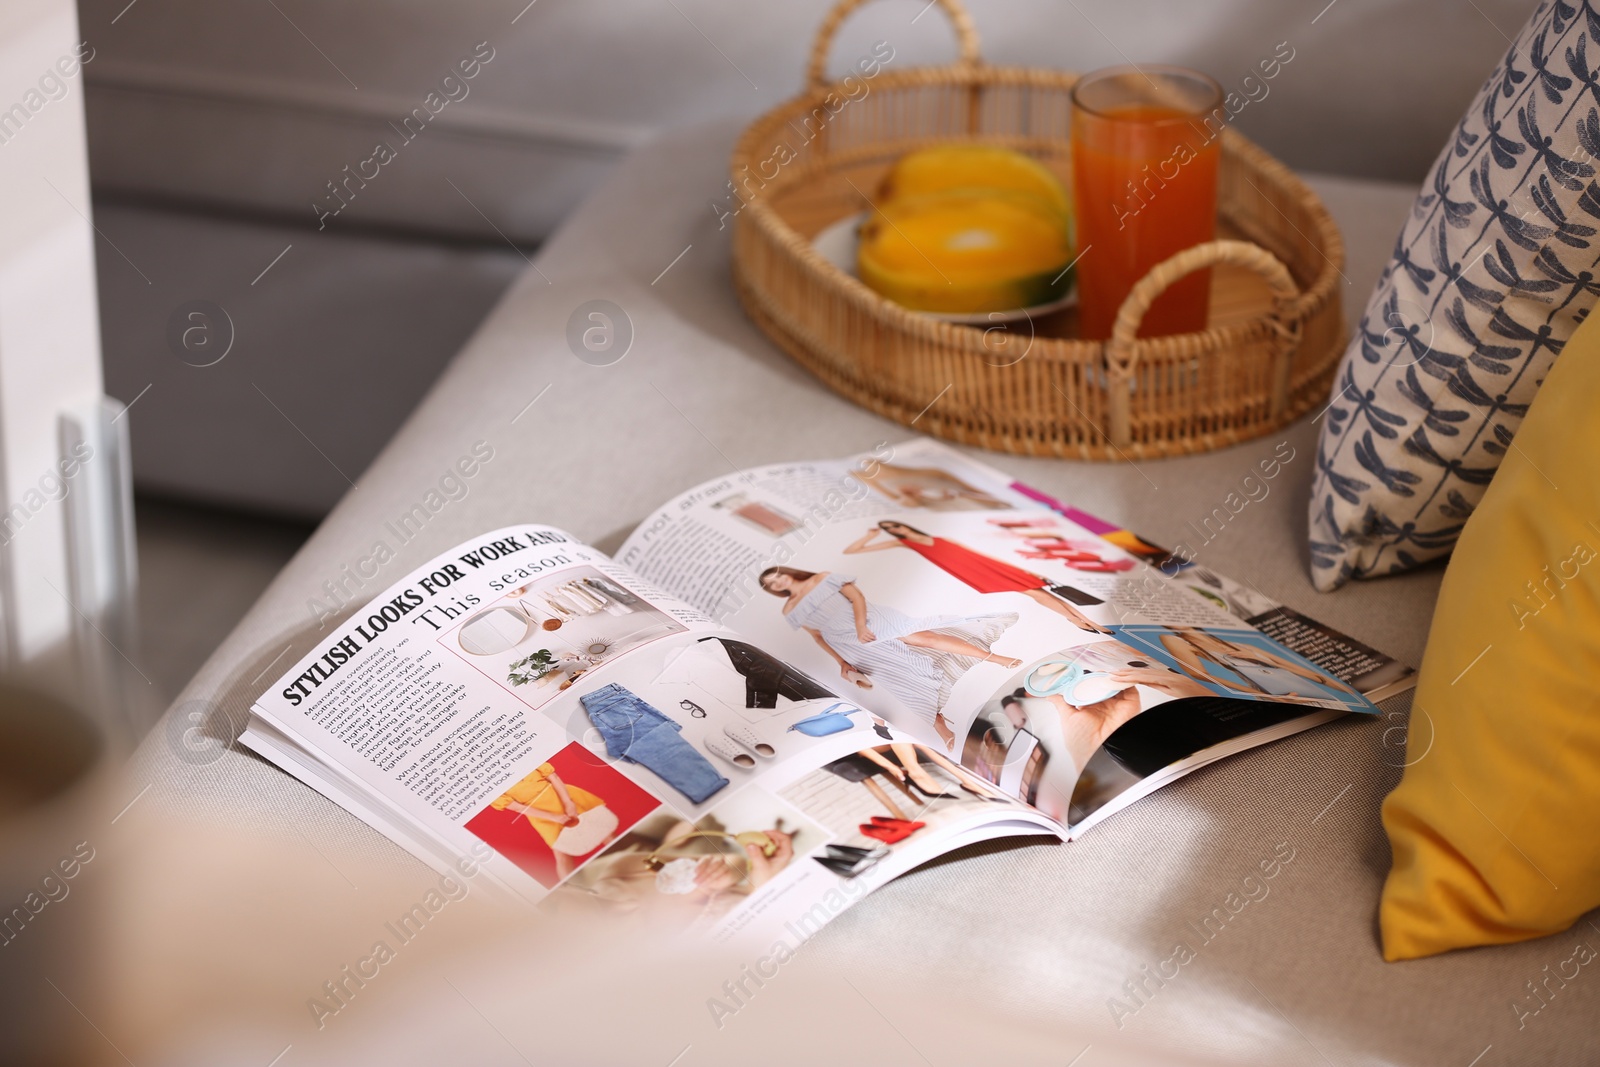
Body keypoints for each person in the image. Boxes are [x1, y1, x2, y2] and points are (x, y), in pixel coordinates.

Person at [759, 566, 1018, 749]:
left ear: (786, 571)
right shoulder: (790, 609)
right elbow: (817, 636)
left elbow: (857, 596)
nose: (778, 582)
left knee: (920, 637)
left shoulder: (822, 578)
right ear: (773, 590)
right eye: (772, 584)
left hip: (869, 620)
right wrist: (841, 662)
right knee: (898, 676)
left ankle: (992, 657)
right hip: (844, 641)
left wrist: (861, 626)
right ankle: (939, 723)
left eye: (777, 576)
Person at [844, 521, 1111, 635]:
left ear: (905, 525)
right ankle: (1085, 621)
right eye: (890, 529)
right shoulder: (903, 544)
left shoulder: (941, 538)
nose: (895, 529)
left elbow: (977, 552)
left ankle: (1081, 621)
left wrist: (1020, 567)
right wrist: (870, 535)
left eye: (895, 525)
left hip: (986, 565)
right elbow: (851, 550)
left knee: (1040, 592)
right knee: (1036, 593)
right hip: (974, 574)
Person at [1154, 627, 1352, 702]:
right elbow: (1199, 674)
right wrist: (1261, 694)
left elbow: (1318, 678)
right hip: (1275, 693)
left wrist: (1260, 659)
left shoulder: (1244, 646)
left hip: (1304, 686)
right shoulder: (1175, 639)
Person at [489, 762, 613, 881]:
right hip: (541, 814)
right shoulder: (490, 786)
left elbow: (554, 777)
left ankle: (623, 861)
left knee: (602, 829)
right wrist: (553, 817)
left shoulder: (525, 760)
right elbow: (518, 808)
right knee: (561, 853)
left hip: (564, 797)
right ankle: (572, 889)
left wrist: (568, 803)